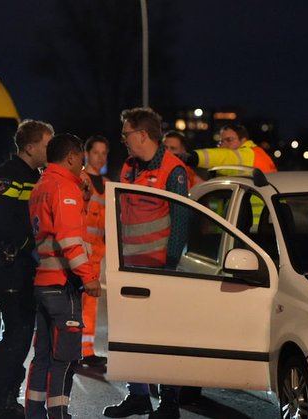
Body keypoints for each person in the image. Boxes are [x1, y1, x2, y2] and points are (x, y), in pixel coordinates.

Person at [103, 107, 189, 419]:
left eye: (126, 133)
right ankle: (138, 396)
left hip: (158, 269)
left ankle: (169, 403)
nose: (123, 139)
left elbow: (181, 218)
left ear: (142, 135)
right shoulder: (129, 167)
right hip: (129, 267)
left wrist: (170, 266)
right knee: (131, 335)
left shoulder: (173, 170)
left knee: (163, 337)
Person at [0, 120, 54, 419]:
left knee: (19, 333)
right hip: (10, 265)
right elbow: (1, 224)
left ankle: (6, 397)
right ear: (31, 146)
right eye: (47, 145)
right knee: (17, 334)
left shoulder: (35, 176)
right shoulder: (6, 177)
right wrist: (30, 247)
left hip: (24, 266)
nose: (51, 150)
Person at [25, 133, 102, 419]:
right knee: (65, 359)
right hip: (62, 283)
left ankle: (33, 413)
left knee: (43, 355)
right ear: (71, 157)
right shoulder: (64, 188)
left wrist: (82, 199)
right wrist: (89, 277)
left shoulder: (43, 185)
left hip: (43, 280)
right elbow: (70, 240)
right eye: (81, 157)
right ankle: (58, 414)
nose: (83, 163)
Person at [79, 135, 110, 367]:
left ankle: (86, 350)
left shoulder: (108, 185)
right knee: (76, 302)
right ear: (87, 153)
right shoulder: (80, 179)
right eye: (96, 152)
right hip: (80, 250)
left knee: (91, 302)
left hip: (98, 252)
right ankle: (74, 350)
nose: (100, 157)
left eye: (104, 153)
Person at [180, 123, 277, 174]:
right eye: (221, 141)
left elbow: (225, 157)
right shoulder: (257, 152)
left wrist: (193, 157)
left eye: (229, 140)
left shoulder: (248, 154)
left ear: (243, 140)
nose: (224, 145)